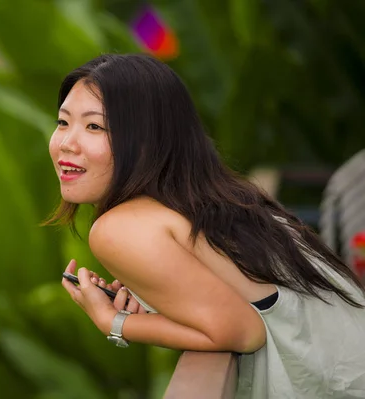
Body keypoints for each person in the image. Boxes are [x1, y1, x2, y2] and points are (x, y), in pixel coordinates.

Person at [44, 53, 365, 398]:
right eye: (63, 122)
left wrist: (114, 322)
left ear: (146, 143)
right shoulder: (206, 201)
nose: (67, 143)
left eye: (95, 126)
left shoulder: (118, 229)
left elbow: (243, 332)